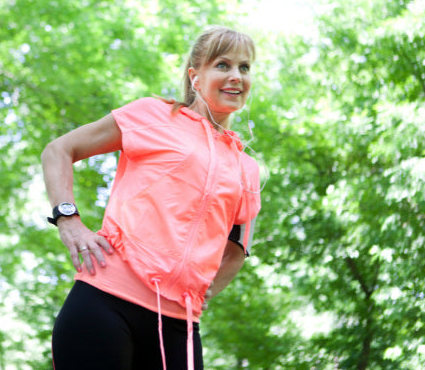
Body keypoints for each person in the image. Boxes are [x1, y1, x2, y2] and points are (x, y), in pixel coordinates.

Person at [41, 26, 262, 370]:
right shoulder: (153, 116)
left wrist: (199, 294)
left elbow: (236, 249)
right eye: (223, 64)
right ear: (195, 76)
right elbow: (59, 150)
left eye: (244, 68)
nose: (236, 76)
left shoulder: (246, 167)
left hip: (179, 326)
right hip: (105, 303)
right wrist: (68, 221)